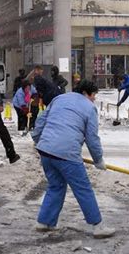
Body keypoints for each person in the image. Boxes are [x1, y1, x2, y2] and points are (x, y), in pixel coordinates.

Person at [31, 80, 115, 239]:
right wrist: (98, 159)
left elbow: (41, 120)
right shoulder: (89, 108)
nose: (94, 98)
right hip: (67, 153)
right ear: (85, 93)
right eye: (93, 95)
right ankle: (98, 226)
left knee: (55, 186)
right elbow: (92, 138)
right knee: (83, 188)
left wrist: (38, 139)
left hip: (46, 151)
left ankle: (44, 222)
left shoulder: (59, 99)